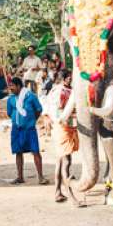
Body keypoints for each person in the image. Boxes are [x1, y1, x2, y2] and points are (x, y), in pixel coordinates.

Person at [6, 77, 47, 185]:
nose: (10, 88)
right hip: (16, 129)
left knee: (35, 152)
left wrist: (31, 120)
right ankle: (20, 177)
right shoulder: (11, 99)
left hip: (29, 129)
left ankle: (41, 177)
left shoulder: (31, 96)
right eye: (10, 86)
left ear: (19, 86)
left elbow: (38, 110)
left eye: (12, 86)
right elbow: (10, 113)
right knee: (18, 152)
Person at [47, 70, 79, 203]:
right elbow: (60, 111)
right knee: (66, 161)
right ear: (66, 79)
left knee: (60, 161)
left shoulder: (55, 90)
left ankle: (58, 192)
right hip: (63, 127)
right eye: (71, 78)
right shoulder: (63, 92)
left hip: (60, 127)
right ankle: (71, 196)